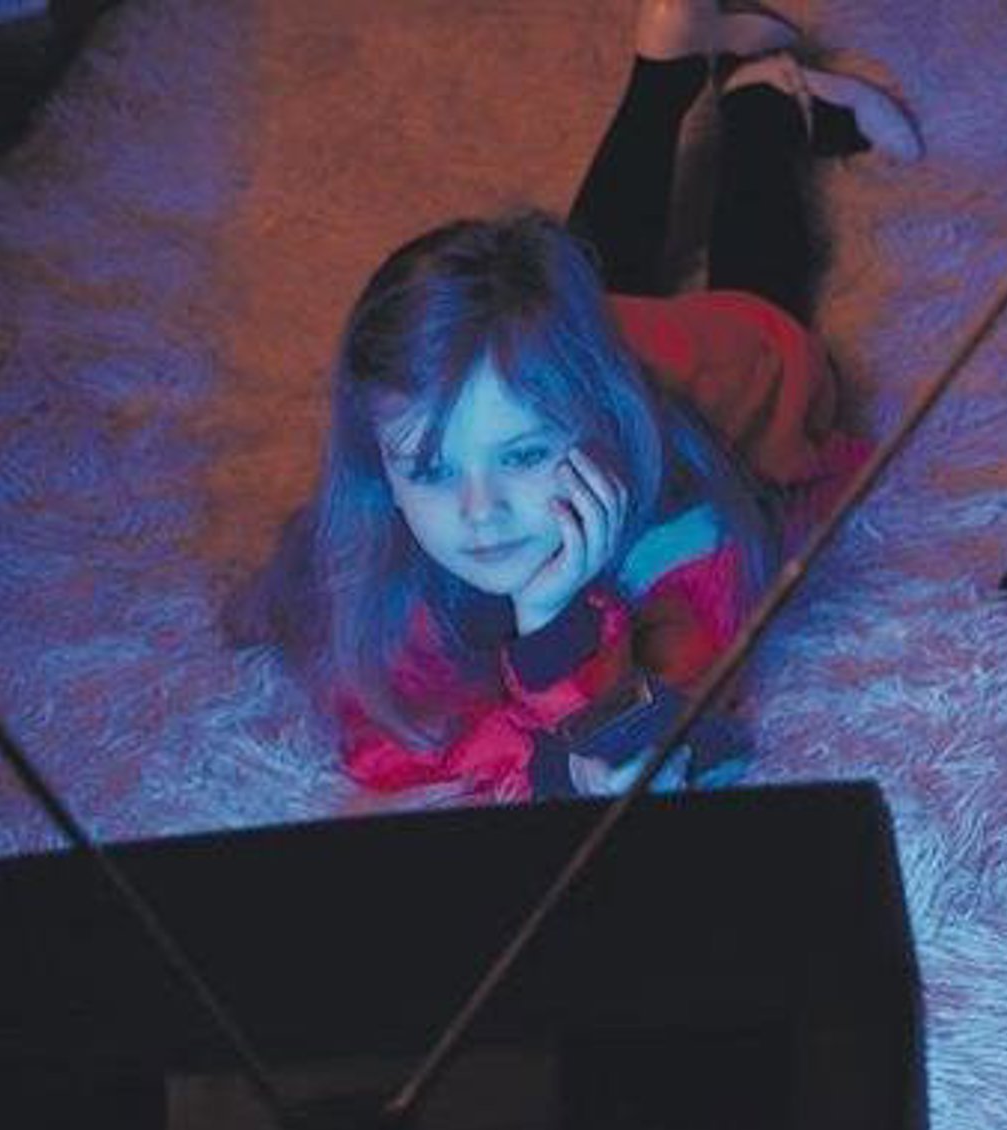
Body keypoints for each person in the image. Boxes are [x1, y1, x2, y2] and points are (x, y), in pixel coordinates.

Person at [228, 1, 919, 806]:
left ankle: (762, 100)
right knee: (565, 278)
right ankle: (660, 75)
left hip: (713, 364)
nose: (480, 512)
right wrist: (557, 760)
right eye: (429, 468)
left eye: (522, 456)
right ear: (376, 461)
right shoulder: (370, 540)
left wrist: (555, 624)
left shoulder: (686, 536)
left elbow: (683, 728)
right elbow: (397, 742)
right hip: (554, 354)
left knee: (760, 295)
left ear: (603, 418)